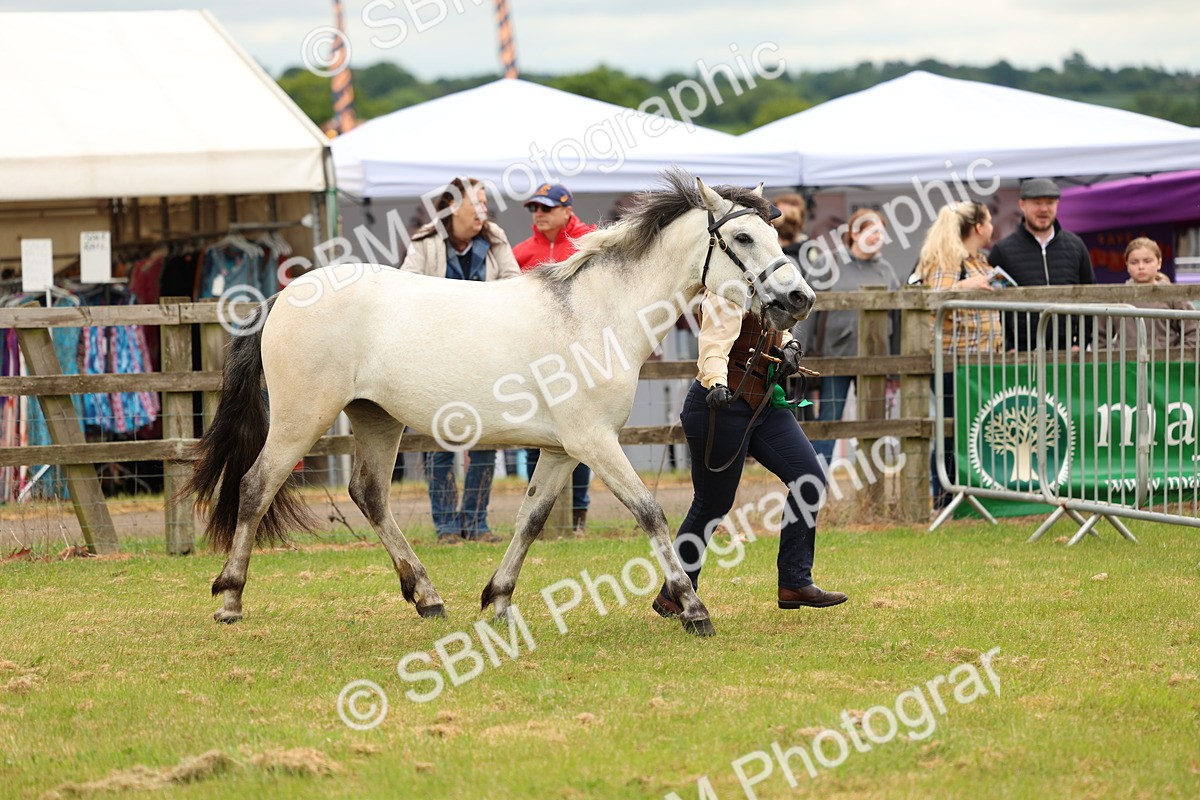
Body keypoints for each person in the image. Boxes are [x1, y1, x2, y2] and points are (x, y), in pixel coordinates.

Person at [652, 290, 846, 618]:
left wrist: (790, 347)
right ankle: (676, 592)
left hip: (765, 404)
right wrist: (715, 384)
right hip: (720, 405)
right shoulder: (723, 294)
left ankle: (795, 581)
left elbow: (779, 326)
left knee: (809, 478)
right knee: (712, 504)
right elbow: (713, 347)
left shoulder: (769, 284)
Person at [401, 177, 521, 543]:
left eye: (486, 203)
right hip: (436, 358)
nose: (484, 211)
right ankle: (447, 527)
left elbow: (516, 284)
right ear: (454, 208)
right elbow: (404, 289)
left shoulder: (495, 238)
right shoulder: (424, 241)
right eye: (477, 204)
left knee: (485, 440)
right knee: (439, 441)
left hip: (485, 357)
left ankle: (476, 523)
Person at [511, 183, 597, 533]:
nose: (539, 214)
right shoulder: (522, 253)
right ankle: (539, 520)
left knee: (587, 440)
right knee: (538, 435)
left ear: (567, 210)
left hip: (584, 358)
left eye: (546, 208)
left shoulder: (590, 243)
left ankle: (578, 515)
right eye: (535, 208)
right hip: (535, 358)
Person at [914, 201, 1004, 509]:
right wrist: (968, 284)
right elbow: (934, 301)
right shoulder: (948, 260)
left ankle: (969, 491)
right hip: (954, 361)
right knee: (951, 428)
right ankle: (944, 496)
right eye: (989, 221)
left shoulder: (980, 259)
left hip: (979, 360)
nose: (992, 226)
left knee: (971, 426)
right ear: (979, 227)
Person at [803, 208, 899, 469]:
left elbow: (899, 319)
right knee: (828, 425)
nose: (877, 237)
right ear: (854, 233)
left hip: (875, 362)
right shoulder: (827, 263)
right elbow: (807, 313)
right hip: (835, 359)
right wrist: (799, 350)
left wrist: (896, 367)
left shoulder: (886, 270)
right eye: (871, 231)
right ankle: (815, 487)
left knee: (873, 426)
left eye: (881, 232)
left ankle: (871, 492)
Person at [987, 178, 1095, 351]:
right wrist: (1007, 345)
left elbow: (1091, 296)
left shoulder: (1076, 246)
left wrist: (1081, 342)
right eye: (1037, 203)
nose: (1044, 209)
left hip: (1068, 349)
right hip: (1021, 352)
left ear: (1057, 204)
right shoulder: (1002, 250)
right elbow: (992, 303)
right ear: (1022, 205)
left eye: (1050, 203)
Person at [1097, 237, 1198, 349]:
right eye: (1134, 262)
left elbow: (1193, 331)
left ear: (1159, 263)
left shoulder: (1172, 294)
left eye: (1147, 261)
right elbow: (1099, 337)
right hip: (1125, 364)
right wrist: (1110, 362)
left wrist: (1176, 359)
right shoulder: (1117, 296)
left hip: (1166, 364)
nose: (1141, 267)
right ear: (1127, 265)